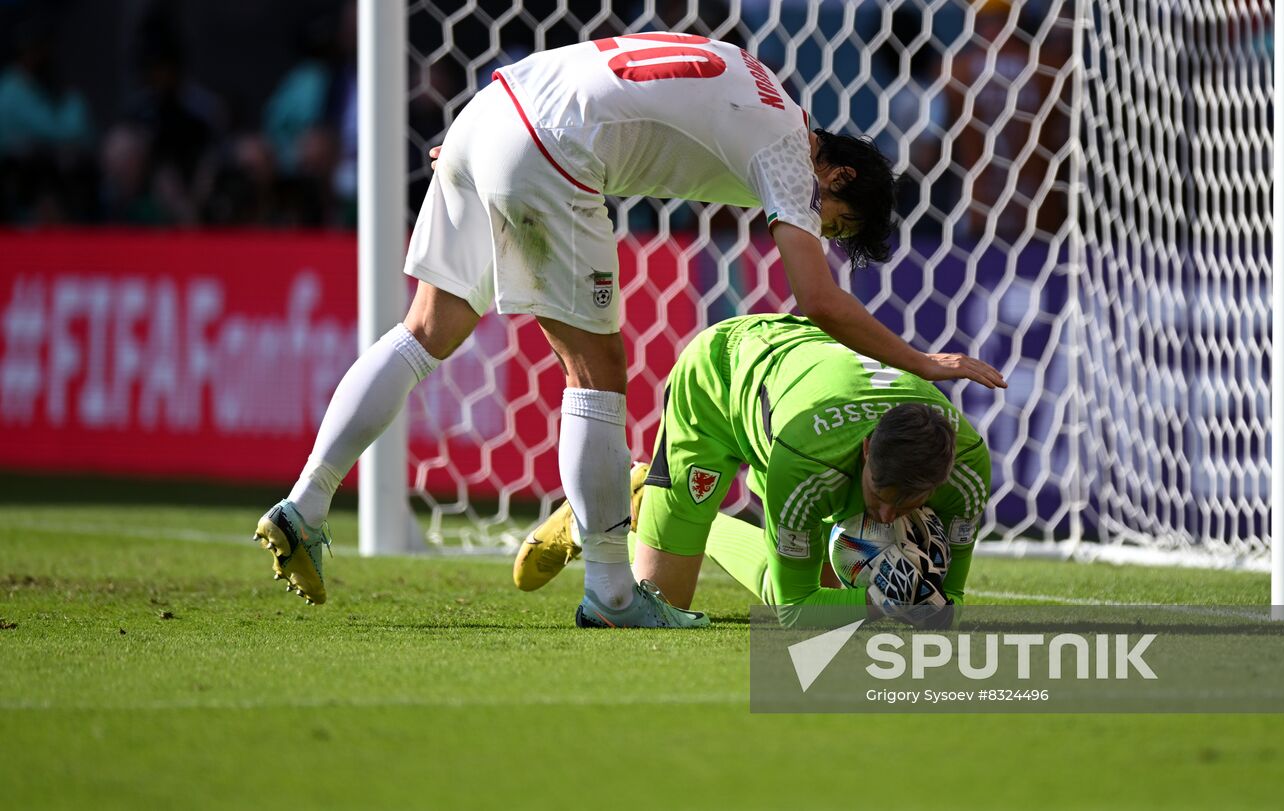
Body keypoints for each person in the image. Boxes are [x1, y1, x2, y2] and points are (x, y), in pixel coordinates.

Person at [253, 33, 1004, 618]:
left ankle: (307, 501)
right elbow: (818, 299)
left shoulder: (755, 78)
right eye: (832, 222)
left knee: (424, 332)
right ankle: (612, 594)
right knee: (599, 371)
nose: (814, 226)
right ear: (836, 177)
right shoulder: (788, 150)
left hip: (496, 107)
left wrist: (490, 132)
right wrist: (926, 362)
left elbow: (617, 70)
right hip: (550, 148)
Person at [517, 313, 991, 627]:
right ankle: (630, 501)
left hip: (801, 379)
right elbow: (794, 612)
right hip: (720, 379)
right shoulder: (807, 464)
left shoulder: (967, 472)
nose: (887, 515)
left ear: (941, 480)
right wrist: (885, 609)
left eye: (906, 503)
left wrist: (936, 609)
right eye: (879, 495)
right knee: (660, 601)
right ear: (867, 451)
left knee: (833, 587)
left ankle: (641, 503)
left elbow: (952, 598)